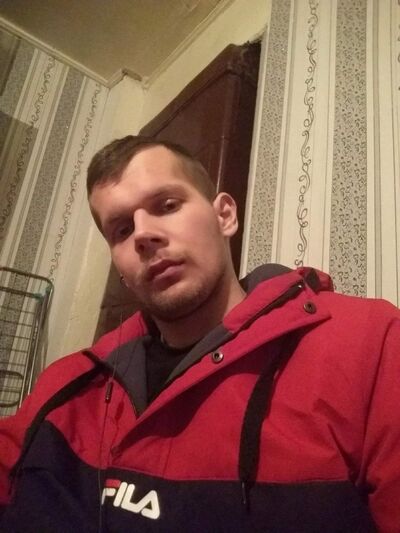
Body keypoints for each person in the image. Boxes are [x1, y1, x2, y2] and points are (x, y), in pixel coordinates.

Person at [0, 136, 399, 533]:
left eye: (167, 205)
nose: (142, 235)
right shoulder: (67, 382)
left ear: (224, 215)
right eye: (121, 230)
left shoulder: (370, 343)